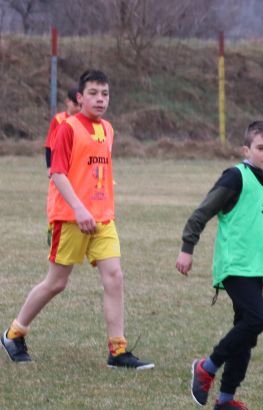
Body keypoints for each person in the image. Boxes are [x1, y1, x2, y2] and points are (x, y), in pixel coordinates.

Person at [1, 69, 153, 369]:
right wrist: (79, 208)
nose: (100, 99)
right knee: (57, 282)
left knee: (114, 277)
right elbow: (57, 173)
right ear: (80, 98)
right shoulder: (67, 128)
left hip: (102, 218)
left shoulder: (108, 129)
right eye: (93, 93)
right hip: (70, 217)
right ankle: (13, 334)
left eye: (105, 94)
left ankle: (118, 350)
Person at [176, 121, 263, 410]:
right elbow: (202, 212)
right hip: (235, 264)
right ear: (246, 150)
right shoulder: (236, 177)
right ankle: (207, 366)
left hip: (258, 267)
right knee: (257, 319)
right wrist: (187, 248)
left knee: (246, 331)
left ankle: (225, 399)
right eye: (261, 148)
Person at [44, 86, 80, 174]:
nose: (78, 108)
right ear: (67, 101)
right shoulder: (58, 119)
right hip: (60, 164)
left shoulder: (83, 121)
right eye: (75, 105)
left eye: (80, 106)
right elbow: (49, 145)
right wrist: (49, 166)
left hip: (78, 165)